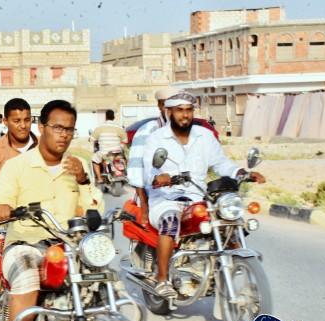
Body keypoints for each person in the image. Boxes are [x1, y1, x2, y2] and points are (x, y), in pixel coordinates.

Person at [0, 99, 103, 321]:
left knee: (102, 278)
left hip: (68, 245)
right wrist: (2, 208)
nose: (64, 135)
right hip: (26, 242)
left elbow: (95, 210)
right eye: (57, 127)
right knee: (27, 277)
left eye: (69, 129)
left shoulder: (78, 167)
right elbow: (0, 203)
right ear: (41, 127)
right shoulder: (17, 166)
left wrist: (83, 180)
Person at [142, 92, 266, 297]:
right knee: (170, 220)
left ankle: (232, 262)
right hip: (166, 198)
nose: (185, 115)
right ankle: (162, 279)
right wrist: (158, 177)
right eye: (179, 110)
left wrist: (241, 173)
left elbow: (220, 163)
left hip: (197, 197)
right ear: (169, 112)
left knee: (227, 220)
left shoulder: (204, 136)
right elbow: (148, 169)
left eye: (189, 110)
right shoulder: (156, 138)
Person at [127, 87, 179, 225]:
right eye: (168, 105)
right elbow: (136, 170)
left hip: (182, 194)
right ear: (160, 106)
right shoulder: (148, 130)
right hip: (155, 197)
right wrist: (144, 206)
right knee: (170, 226)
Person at [0, 98, 38, 194]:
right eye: (17, 121)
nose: (23, 125)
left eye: (27, 120)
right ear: (6, 121)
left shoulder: (44, 145)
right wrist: (0, 185)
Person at [90, 109, 128, 184]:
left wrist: (92, 138)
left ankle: (99, 178)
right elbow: (125, 140)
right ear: (114, 117)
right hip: (117, 152)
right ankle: (125, 172)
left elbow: (92, 139)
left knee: (94, 160)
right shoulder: (119, 127)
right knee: (124, 158)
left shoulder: (100, 127)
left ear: (105, 117)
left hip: (105, 152)